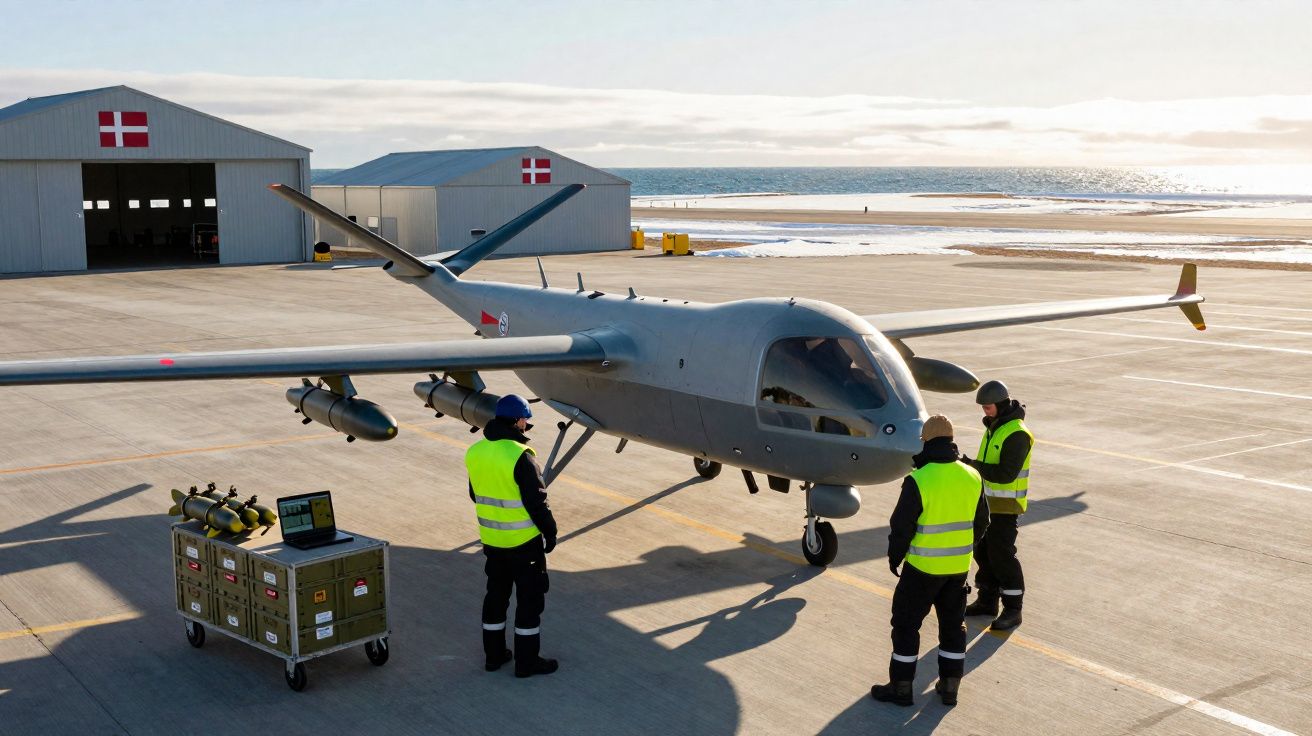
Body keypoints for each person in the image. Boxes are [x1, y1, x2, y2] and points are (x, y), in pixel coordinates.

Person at [872, 415, 988, 707]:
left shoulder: (919, 479)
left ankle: (901, 687)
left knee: (906, 626)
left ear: (926, 442)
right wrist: (965, 547)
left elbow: (901, 527)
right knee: (952, 628)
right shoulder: (972, 475)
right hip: (958, 570)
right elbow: (982, 521)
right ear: (951, 441)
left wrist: (894, 558)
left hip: (922, 569)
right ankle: (949, 687)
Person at [466, 394, 560, 678]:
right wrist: (551, 532)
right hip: (523, 544)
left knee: (496, 597)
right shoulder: (521, 456)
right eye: (526, 421)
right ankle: (527, 662)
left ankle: (494, 656)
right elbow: (536, 502)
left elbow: (475, 493)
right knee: (529, 602)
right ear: (519, 420)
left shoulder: (476, 451)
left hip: (492, 542)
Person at [961, 380, 1032, 631]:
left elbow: (1006, 474)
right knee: (983, 553)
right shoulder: (995, 426)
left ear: (1001, 405)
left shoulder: (1017, 433)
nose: (985, 412)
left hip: (1006, 506)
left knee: (1003, 557)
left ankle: (1013, 609)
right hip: (987, 503)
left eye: (988, 407)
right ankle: (987, 601)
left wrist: (972, 465)